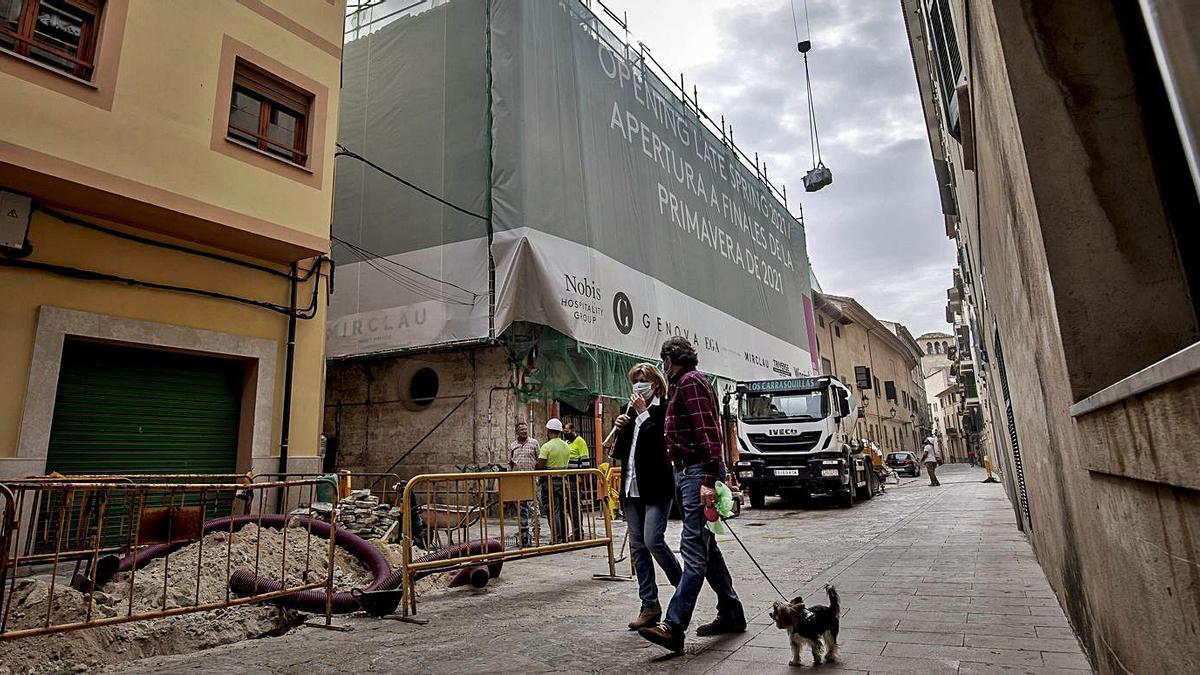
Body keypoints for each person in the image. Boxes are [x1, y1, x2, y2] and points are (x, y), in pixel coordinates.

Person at [638, 337, 745, 653]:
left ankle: (673, 626)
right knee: (707, 549)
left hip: (698, 472)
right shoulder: (685, 385)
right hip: (687, 473)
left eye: (663, 360)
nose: (663, 366)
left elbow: (708, 433)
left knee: (693, 549)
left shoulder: (690, 382)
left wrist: (709, 480)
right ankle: (731, 613)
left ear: (670, 359)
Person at [612, 363, 682, 630]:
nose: (638, 384)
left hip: (657, 488)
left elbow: (660, 447)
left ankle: (683, 586)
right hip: (631, 488)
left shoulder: (665, 410)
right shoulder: (629, 411)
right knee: (638, 547)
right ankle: (649, 604)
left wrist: (643, 414)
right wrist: (621, 427)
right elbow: (621, 453)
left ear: (655, 383)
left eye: (643, 379)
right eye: (635, 380)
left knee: (654, 540)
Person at [536, 418, 573, 543]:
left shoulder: (547, 446)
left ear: (548, 431)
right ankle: (565, 536)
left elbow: (540, 465)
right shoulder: (566, 446)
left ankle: (556, 538)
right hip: (563, 480)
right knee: (563, 510)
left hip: (550, 481)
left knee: (552, 510)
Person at [509, 421, 540, 546]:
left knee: (533, 507)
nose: (524, 431)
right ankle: (524, 533)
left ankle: (535, 533)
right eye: (521, 429)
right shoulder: (513, 445)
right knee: (521, 507)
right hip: (518, 480)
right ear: (517, 431)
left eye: (525, 429)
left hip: (531, 478)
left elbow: (540, 460)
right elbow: (510, 463)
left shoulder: (534, 443)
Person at [563, 422, 589, 540]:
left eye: (567, 432)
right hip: (567, 477)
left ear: (573, 430)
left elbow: (585, 461)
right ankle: (574, 531)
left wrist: (581, 477)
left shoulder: (580, 441)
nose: (565, 434)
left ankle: (578, 532)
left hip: (575, 478)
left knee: (575, 506)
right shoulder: (567, 443)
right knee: (569, 506)